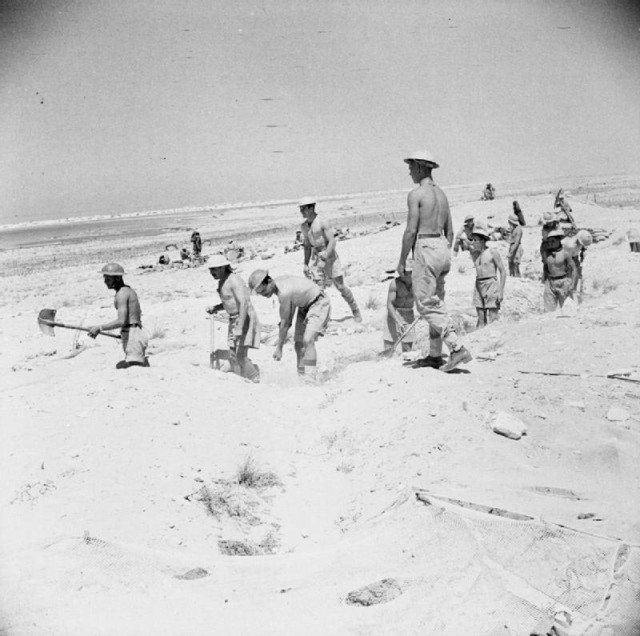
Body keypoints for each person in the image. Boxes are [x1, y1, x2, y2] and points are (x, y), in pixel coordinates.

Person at [396, 150, 472, 372]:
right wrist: (443, 251)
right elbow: (449, 231)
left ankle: (457, 348)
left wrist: (402, 260)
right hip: (442, 247)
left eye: (411, 167)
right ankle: (436, 354)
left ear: (420, 167)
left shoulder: (416, 194)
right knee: (438, 302)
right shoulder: (442, 195)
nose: (409, 171)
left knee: (426, 304)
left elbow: (411, 230)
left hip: (426, 246)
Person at [248, 269, 330, 381]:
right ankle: (302, 377)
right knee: (299, 344)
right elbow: (287, 318)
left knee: (307, 340)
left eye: (264, 292)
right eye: (260, 293)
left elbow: (285, 323)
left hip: (318, 302)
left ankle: (311, 379)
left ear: (270, 281)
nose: (263, 295)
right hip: (303, 306)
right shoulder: (278, 284)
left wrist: (279, 348)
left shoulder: (284, 292)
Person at [298, 196, 361, 322]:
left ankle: (355, 310)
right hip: (316, 258)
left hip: (329, 256)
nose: (302, 211)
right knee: (318, 290)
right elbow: (307, 246)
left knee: (340, 286)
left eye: (304, 208)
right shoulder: (304, 226)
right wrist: (305, 264)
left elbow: (332, 241)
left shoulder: (322, 222)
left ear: (311, 208)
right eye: (301, 209)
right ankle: (322, 318)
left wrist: (325, 256)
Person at [206, 255, 260, 382]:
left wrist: (240, 327)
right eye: (210, 270)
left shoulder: (234, 280)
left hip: (244, 318)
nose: (211, 273)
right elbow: (229, 303)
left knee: (240, 355)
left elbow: (243, 304)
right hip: (233, 319)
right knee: (233, 354)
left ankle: (254, 378)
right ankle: (242, 376)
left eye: (214, 269)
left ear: (223, 267)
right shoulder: (222, 282)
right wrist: (216, 308)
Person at [88, 263, 149, 369]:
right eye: (104, 278)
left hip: (133, 336)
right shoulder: (126, 290)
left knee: (135, 369)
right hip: (133, 333)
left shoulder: (122, 294)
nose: (105, 281)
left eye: (108, 279)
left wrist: (100, 328)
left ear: (117, 278)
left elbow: (121, 321)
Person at [470, 223, 506, 328]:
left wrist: (501, 291)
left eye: (476, 240)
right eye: (473, 240)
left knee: (493, 319)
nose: (474, 243)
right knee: (480, 318)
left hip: (491, 284)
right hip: (478, 284)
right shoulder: (475, 254)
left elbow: (502, 271)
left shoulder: (492, 252)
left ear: (483, 241)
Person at [383, 261, 415, 353]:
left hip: (408, 315)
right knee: (389, 348)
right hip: (393, 315)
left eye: (408, 272)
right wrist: (399, 321)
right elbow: (389, 304)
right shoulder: (394, 283)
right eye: (403, 271)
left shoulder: (418, 284)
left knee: (408, 350)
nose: (404, 274)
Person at [542, 229, 577, 312]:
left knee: (566, 310)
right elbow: (545, 266)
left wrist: (572, 284)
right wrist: (543, 279)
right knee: (548, 311)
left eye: (553, 241)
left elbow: (574, 268)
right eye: (549, 241)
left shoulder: (565, 253)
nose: (550, 243)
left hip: (563, 282)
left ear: (559, 240)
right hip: (550, 283)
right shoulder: (546, 253)